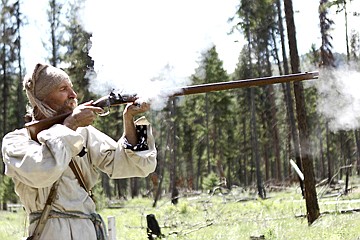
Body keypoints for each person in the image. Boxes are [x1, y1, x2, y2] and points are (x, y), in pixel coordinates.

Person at [1, 63, 157, 240]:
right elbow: (43, 170)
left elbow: (136, 166)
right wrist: (71, 125)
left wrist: (129, 118)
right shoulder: (16, 141)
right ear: (42, 98)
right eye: (63, 88)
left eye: (72, 88)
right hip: (48, 232)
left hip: (88, 231)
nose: (73, 95)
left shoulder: (84, 133)